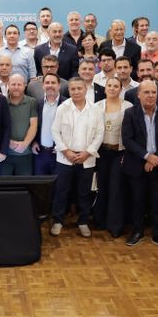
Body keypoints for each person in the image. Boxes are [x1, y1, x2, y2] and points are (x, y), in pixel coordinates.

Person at [121, 80, 158, 251]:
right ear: (138, 94)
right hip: (137, 165)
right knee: (137, 200)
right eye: (146, 92)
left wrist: (156, 158)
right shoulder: (130, 113)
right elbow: (128, 140)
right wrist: (147, 157)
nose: (150, 95)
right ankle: (137, 231)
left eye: (153, 92)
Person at [49, 77, 103, 238]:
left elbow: (100, 133)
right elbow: (55, 131)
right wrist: (66, 151)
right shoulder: (62, 108)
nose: (76, 91)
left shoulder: (95, 109)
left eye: (79, 88)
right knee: (61, 191)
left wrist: (88, 152)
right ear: (69, 90)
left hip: (87, 158)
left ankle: (83, 221)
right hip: (66, 157)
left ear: (85, 89)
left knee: (84, 192)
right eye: (73, 89)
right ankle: (58, 221)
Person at [92, 76, 131, 236]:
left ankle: (115, 225)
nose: (113, 88)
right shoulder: (96, 106)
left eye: (116, 86)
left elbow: (131, 133)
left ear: (121, 89)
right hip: (101, 152)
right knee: (102, 186)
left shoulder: (128, 107)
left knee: (116, 188)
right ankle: (100, 221)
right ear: (105, 88)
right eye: (110, 85)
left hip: (119, 153)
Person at [2, 74, 37, 176]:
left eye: (19, 84)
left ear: (25, 85)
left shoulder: (31, 102)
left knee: (24, 186)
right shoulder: (2, 102)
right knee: (3, 185)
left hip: (25, 153)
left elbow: (33, 125)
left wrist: (25, 144)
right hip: (5, 153)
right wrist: (8, 142)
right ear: (8, 85)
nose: (16, 87)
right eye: (13, 84)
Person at [32, 73, 65, 176]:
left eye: (53, 83)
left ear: (59, 85)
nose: (50, 85)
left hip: (59, 154)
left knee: (58, 187)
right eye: (47, 83)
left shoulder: (67, 104)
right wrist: (34, 142)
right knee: (40, 187)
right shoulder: (37, 103)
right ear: (43, 86)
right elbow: (33, 126)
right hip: (40, 153)